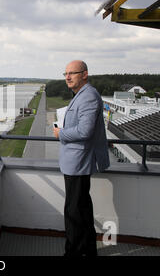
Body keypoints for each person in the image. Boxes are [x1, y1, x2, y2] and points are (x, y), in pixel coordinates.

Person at [53, 60, 110, 256]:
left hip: (78, 163)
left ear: (84, 74)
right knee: (82, 210)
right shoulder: (83, 95)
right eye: (66, 73)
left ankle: (74, 252)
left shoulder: (88, 97)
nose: (67, 77)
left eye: (73, 73)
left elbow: (85, 131)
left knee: (74, 213)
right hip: (77, 162)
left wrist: (60, 133)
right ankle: (88, 250)